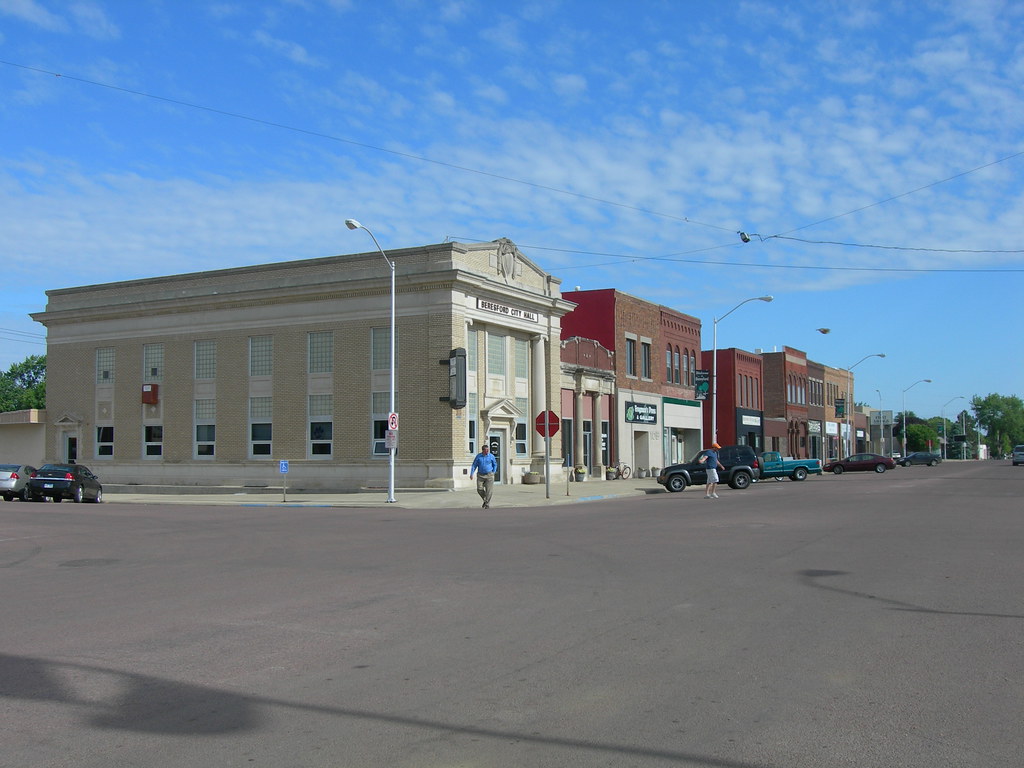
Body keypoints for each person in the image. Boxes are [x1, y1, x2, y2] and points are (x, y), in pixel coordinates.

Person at [469, 443, 499, 508]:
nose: (487, 452)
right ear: (483, 450)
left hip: (489, 475)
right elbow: (474, 465)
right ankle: (485, 500)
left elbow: (495, 464)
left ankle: (487, 504)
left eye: (488, 450)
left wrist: (493, 472)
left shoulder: (491, 456)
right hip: (480, 475)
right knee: (479, 489)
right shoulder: (478, 456)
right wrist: (471, 473)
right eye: (486, 450)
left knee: (489, 490)